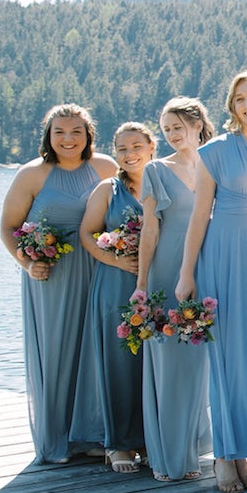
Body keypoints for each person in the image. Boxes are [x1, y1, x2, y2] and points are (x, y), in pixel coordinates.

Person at [178, 70, 247, 493]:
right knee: (229, 359)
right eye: (240, 98)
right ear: (232, 106)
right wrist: (187, 273)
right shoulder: (215, 151)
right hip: (223, 258)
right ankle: (226, 454)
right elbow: (198, 215)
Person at [0, 104, 118, 463]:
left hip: (100, 271)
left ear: (89, 135)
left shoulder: (106, 168)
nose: (68, 139)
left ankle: (95, 434)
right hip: (51, 275)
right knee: (57, 352)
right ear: (48, 136)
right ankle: (57, 439)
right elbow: (8, 227)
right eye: (60, 132)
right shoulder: (32, 174)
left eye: (76, 132)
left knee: (96, 351)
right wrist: (27, 263)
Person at [136, 98, 214, 482]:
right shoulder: (155, 169)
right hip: (169, 270)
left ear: (198, 123)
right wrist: (141, 282)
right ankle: (169, 455)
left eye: (178, 125)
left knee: (200, 363)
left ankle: (198, 446)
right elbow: (150, 229)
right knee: (170, 362)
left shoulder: (214, 163)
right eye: (166, 128)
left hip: (209, 268)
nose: (171, 134)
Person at [72, 121, 156, 473]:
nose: (129, 154)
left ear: (152, 147)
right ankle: (118, 443)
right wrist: (115, 257)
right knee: (119, 362)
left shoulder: (164, 182)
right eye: (121, 148)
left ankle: (151, 439)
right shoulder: (107, 189)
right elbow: (87, 234)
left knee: (153, 364)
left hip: (155, 283)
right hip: (115, 283)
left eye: (136, 146)